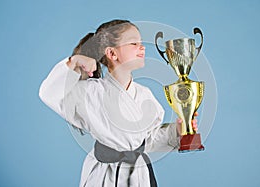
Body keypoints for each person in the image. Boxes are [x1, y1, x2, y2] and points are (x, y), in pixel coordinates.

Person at [39, 19, 198, 187]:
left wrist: (177, 132)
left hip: (138, 175)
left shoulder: (145, 95)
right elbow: (49, 93)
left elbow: (146, 141)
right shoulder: (89, 92)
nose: (142, 47)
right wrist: (74, 62)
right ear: (112, 54)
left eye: (141, 42)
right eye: (134, 43)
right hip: (103, 176)